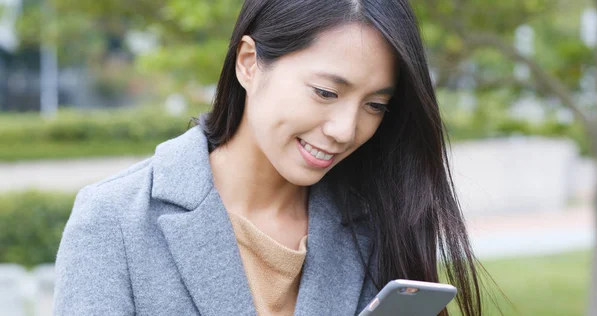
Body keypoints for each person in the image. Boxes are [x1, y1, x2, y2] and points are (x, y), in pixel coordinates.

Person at [53, 0, 486, 315]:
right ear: (248, 63)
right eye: (326, 92)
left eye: (375, 105)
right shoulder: (114, 221)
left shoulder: (376, 224)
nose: (346, 129)